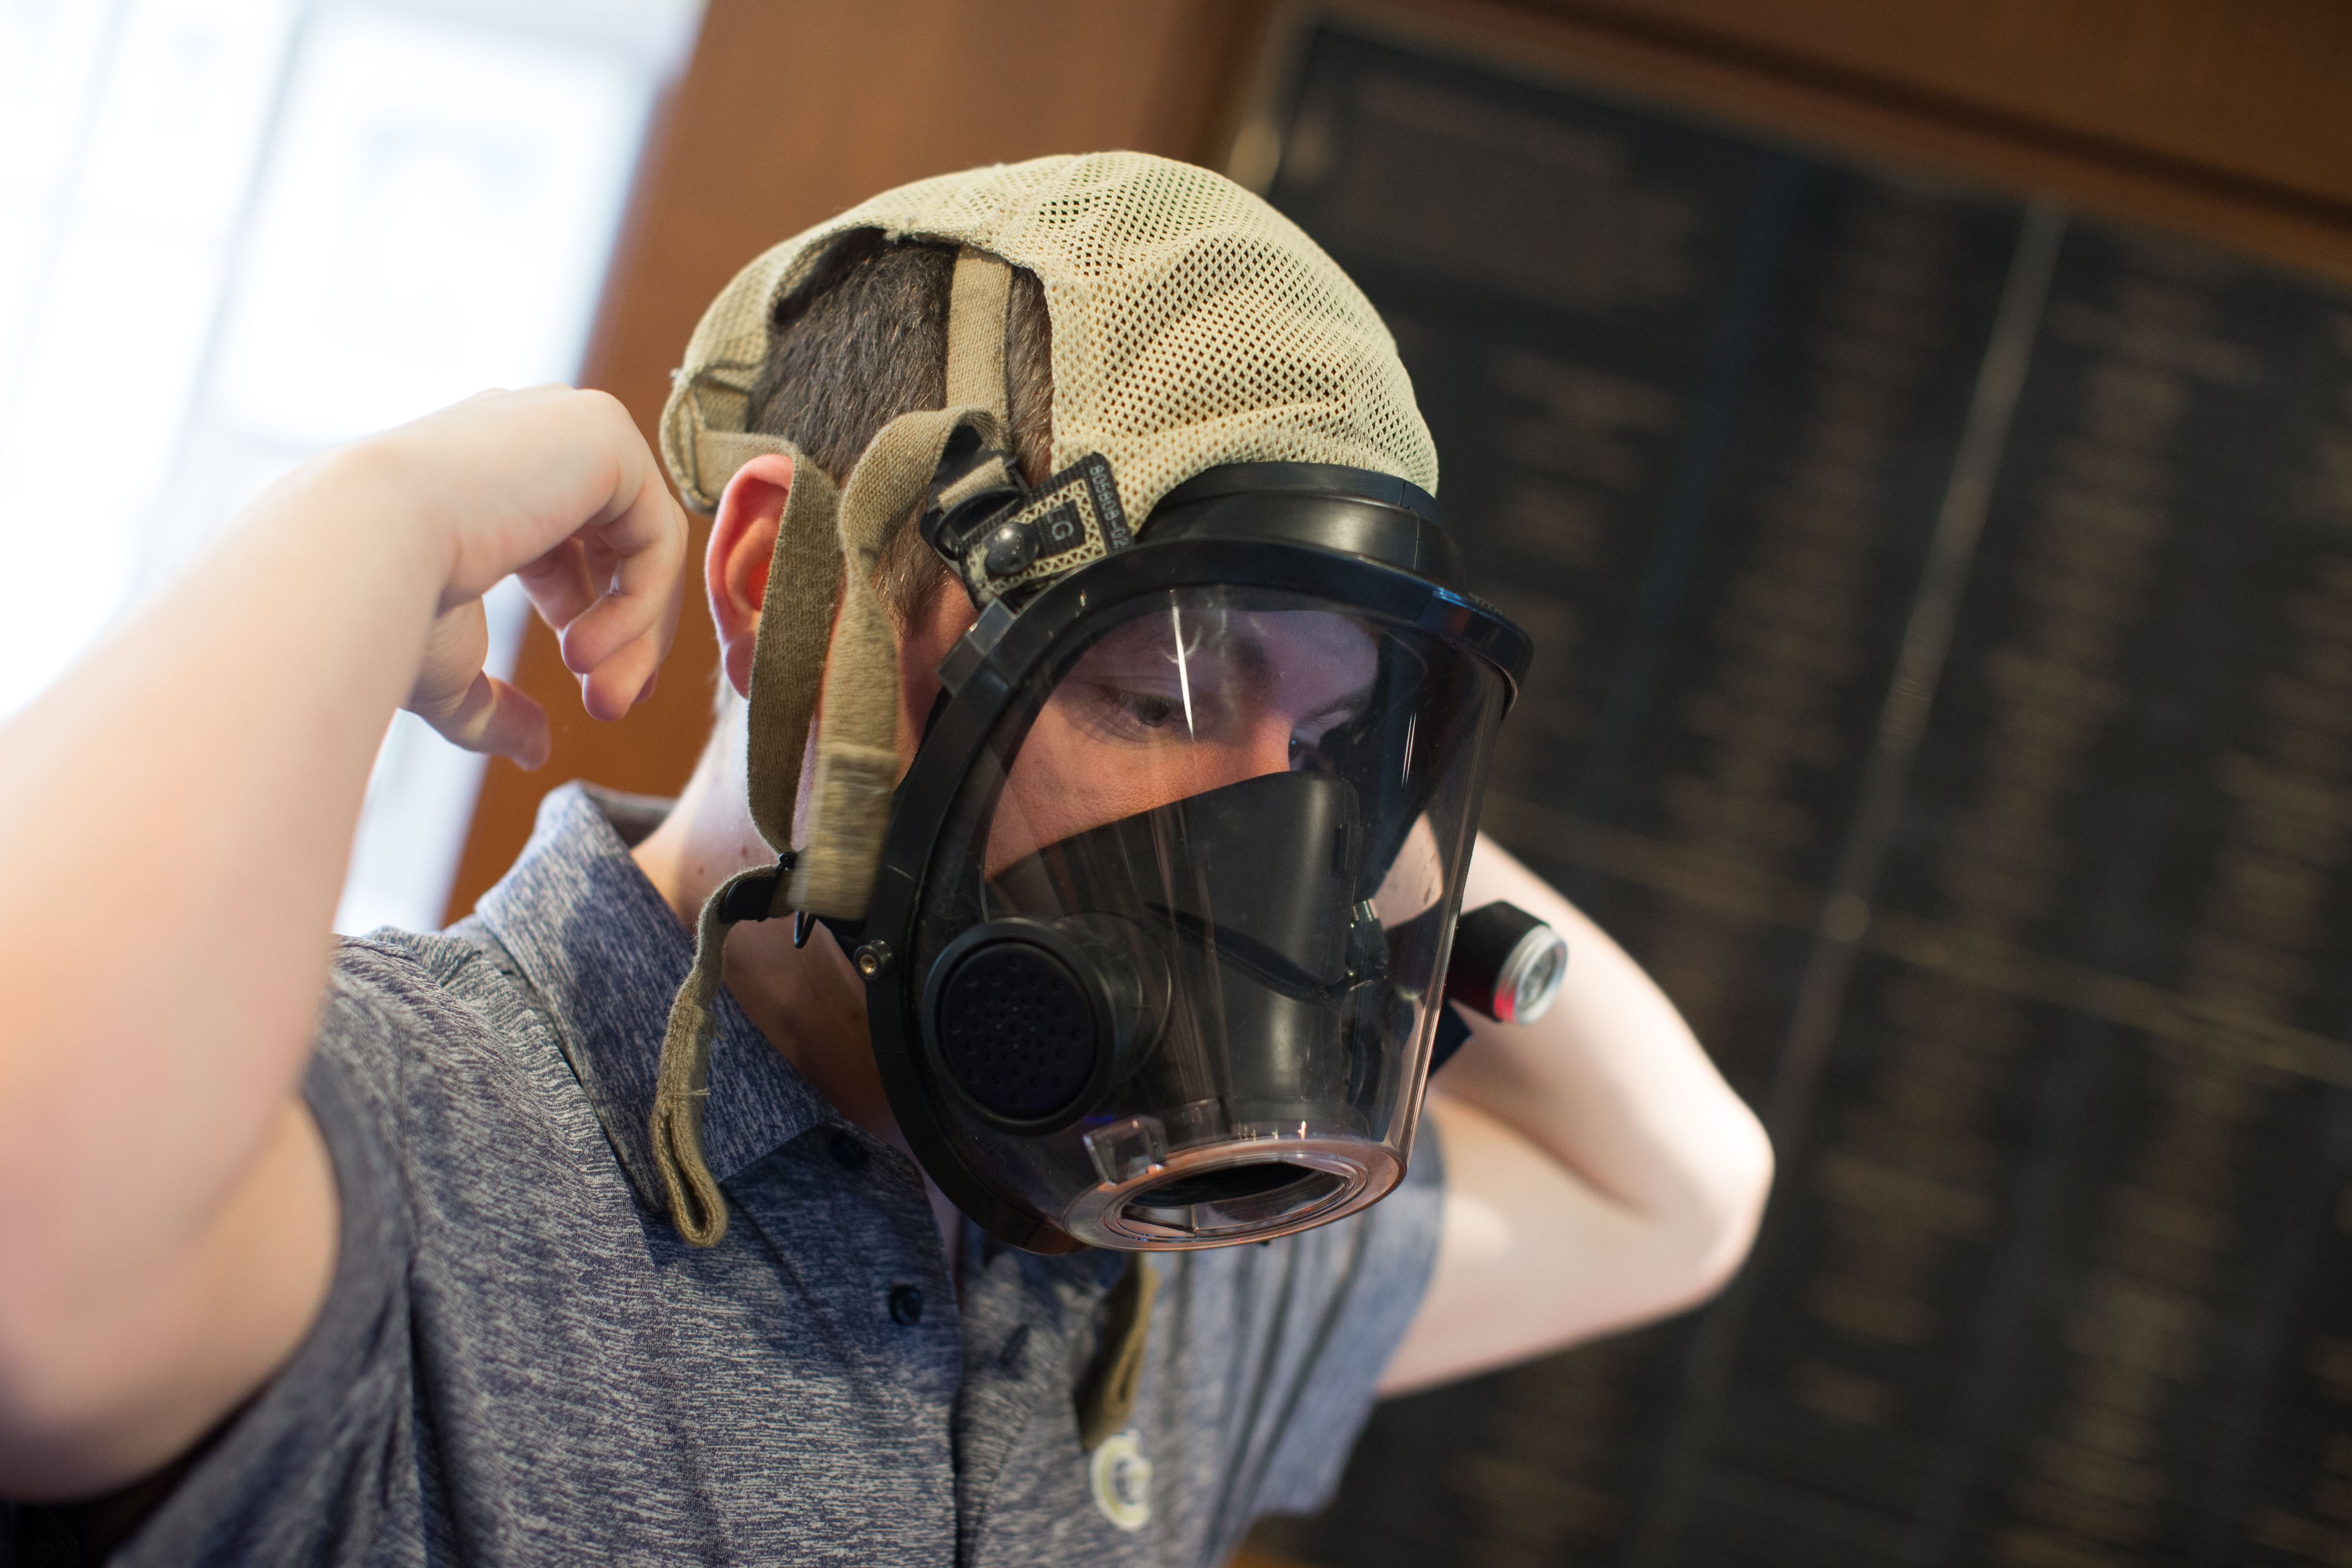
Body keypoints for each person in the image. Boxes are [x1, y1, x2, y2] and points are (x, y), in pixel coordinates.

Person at [0, 154, 1772, 1565]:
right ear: (797, 595)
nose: (1272, 857)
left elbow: (1683, 1189)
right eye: (1161, 689)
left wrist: (1331, 732)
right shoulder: (401, 1152)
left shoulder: (1143, 1238)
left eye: (1320, 754)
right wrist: (358, 520)